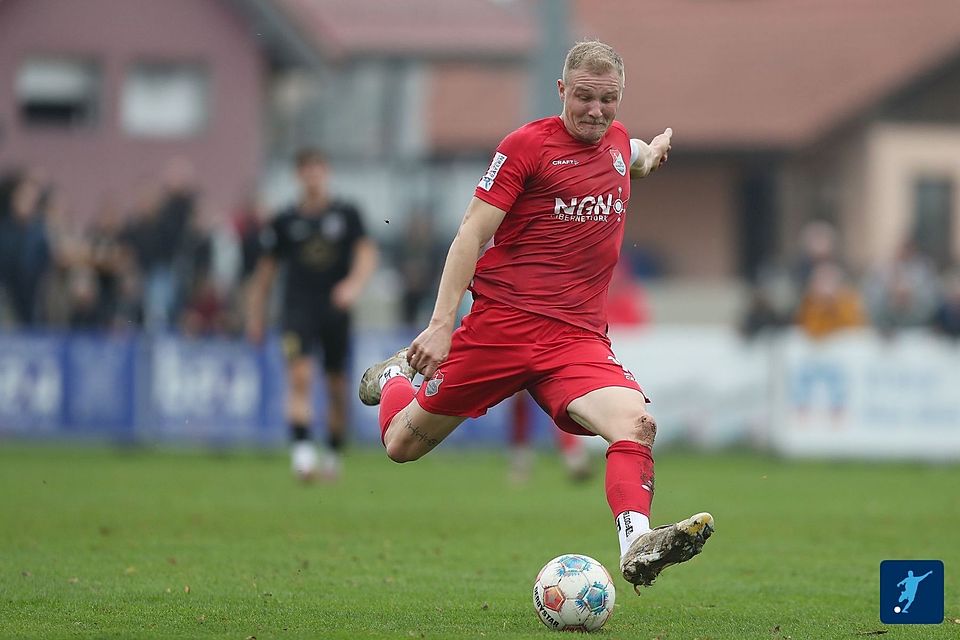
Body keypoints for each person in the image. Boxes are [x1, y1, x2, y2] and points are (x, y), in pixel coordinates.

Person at [358, 40, 713, 593]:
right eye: (584, 98)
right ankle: (402, 375)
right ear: (561, 91)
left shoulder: (617, 142)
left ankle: (636, 543)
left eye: (609, 100)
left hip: (576, 339)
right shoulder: (527, 146)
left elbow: (633, 157)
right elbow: (471, 233)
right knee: (402, 447)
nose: (596, 111)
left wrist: (654, 152)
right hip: (501, 328)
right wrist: (440, 324)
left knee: (637, 424)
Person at [247, 148, 378, 481]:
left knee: (336, 386)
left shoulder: (347, 214)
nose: (312, 176)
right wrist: (256, 316)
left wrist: (353, 285)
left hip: (335, 310)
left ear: (327, 172)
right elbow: (265, 273)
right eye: (306, 170)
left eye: (318, 168)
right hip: (297, 310)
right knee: (300, 376)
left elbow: (366, 254)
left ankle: (333, 453)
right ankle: (303, 455)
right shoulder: (284, 220)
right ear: (298, 176)